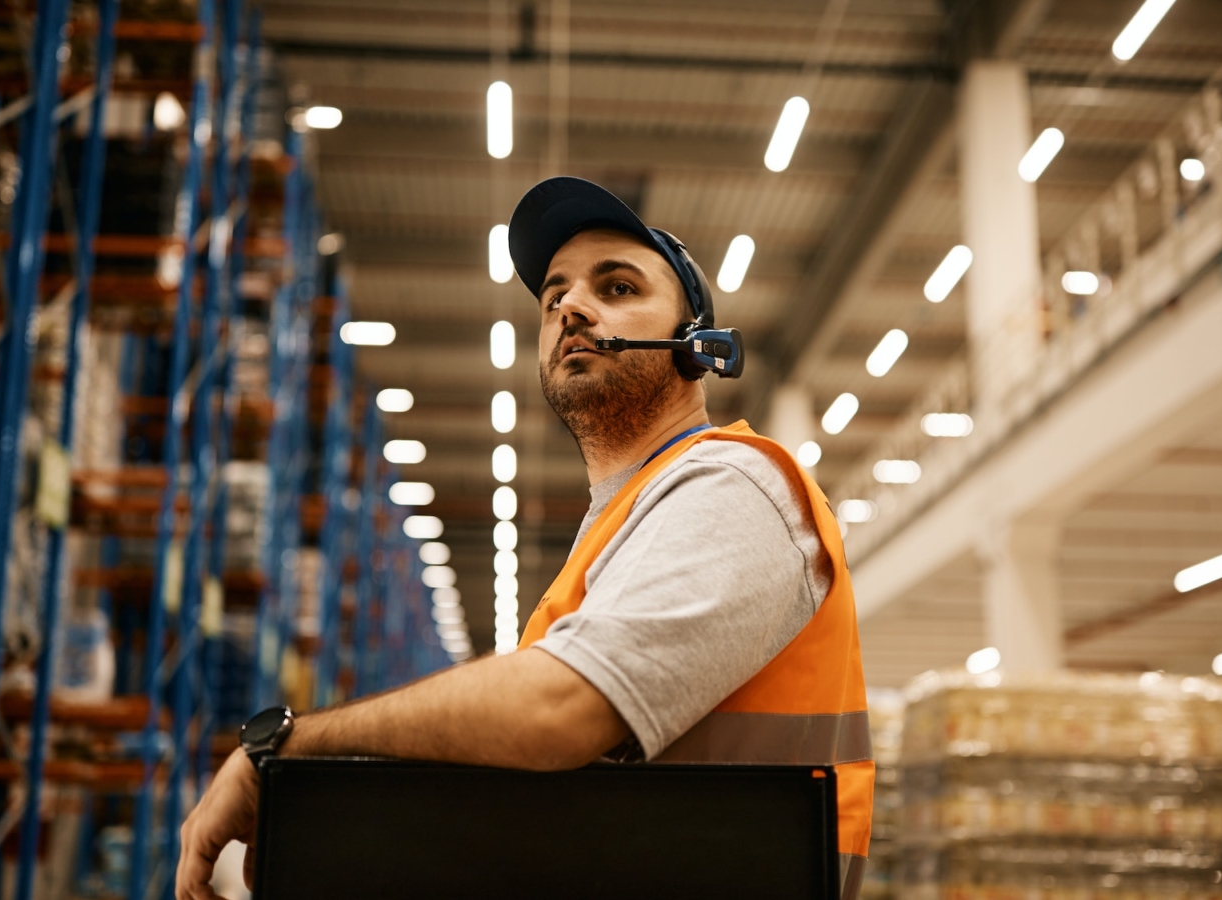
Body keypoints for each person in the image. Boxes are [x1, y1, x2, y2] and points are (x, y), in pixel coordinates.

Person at [175, 177, 873, 900]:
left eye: (620, 287)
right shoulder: (618, 531)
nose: (571, 306)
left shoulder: (737, 484)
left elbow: (556, 711)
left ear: (696, 345)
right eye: (553, 298)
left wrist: (285, 749)